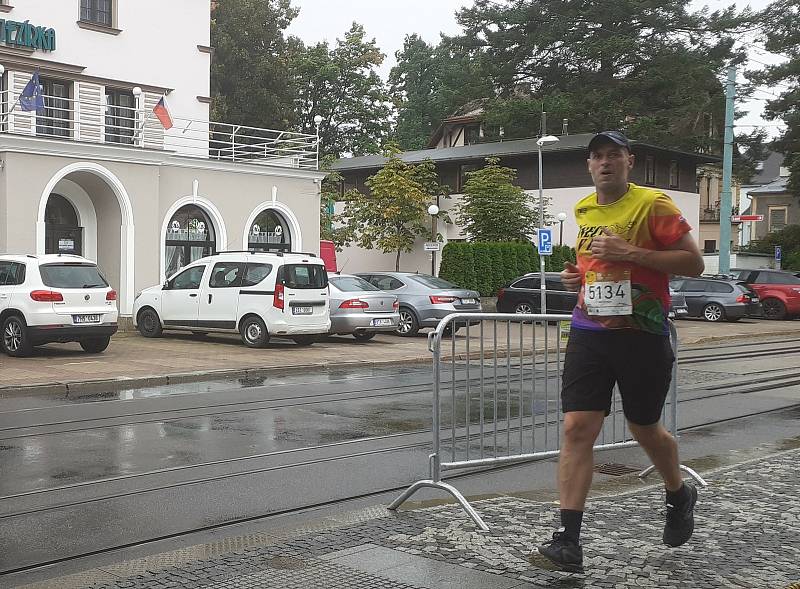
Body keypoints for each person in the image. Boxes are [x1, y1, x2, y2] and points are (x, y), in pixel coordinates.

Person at [536, 131, 705, 573]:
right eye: (598, 157)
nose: (605, 163)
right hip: (589, 329)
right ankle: (568, 541)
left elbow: (693, 262)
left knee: (644, 427)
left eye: (614, 155)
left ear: (629, 161)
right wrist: (575, 277)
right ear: (589, 166)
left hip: (642, 331)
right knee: (577, 427)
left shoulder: (655, 204)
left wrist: (632, 251)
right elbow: (593, 265)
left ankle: (677, 491)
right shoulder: (583, 208)